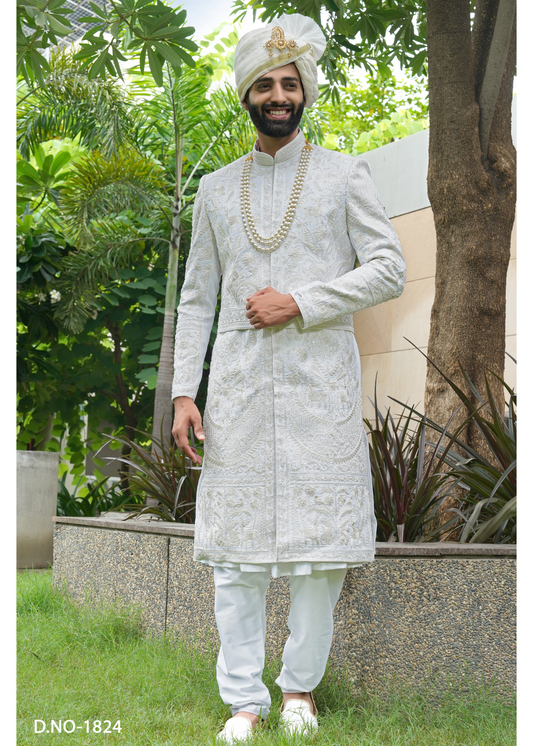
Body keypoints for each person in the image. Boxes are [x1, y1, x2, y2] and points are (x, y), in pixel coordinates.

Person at [171, 12, 406, 744]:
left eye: (289, 82)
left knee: (317, 554)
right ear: (245, 95)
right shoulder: (213, 189)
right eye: (265, 84)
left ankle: (299, 690)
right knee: (234, 557)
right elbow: (196, 298)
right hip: (238, 390)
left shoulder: (344, 172)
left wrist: (300, 301)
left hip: (318, 390)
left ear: (304, 91)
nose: (279, 94)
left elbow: (389, 268)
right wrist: (184, 390)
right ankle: (242, 701)